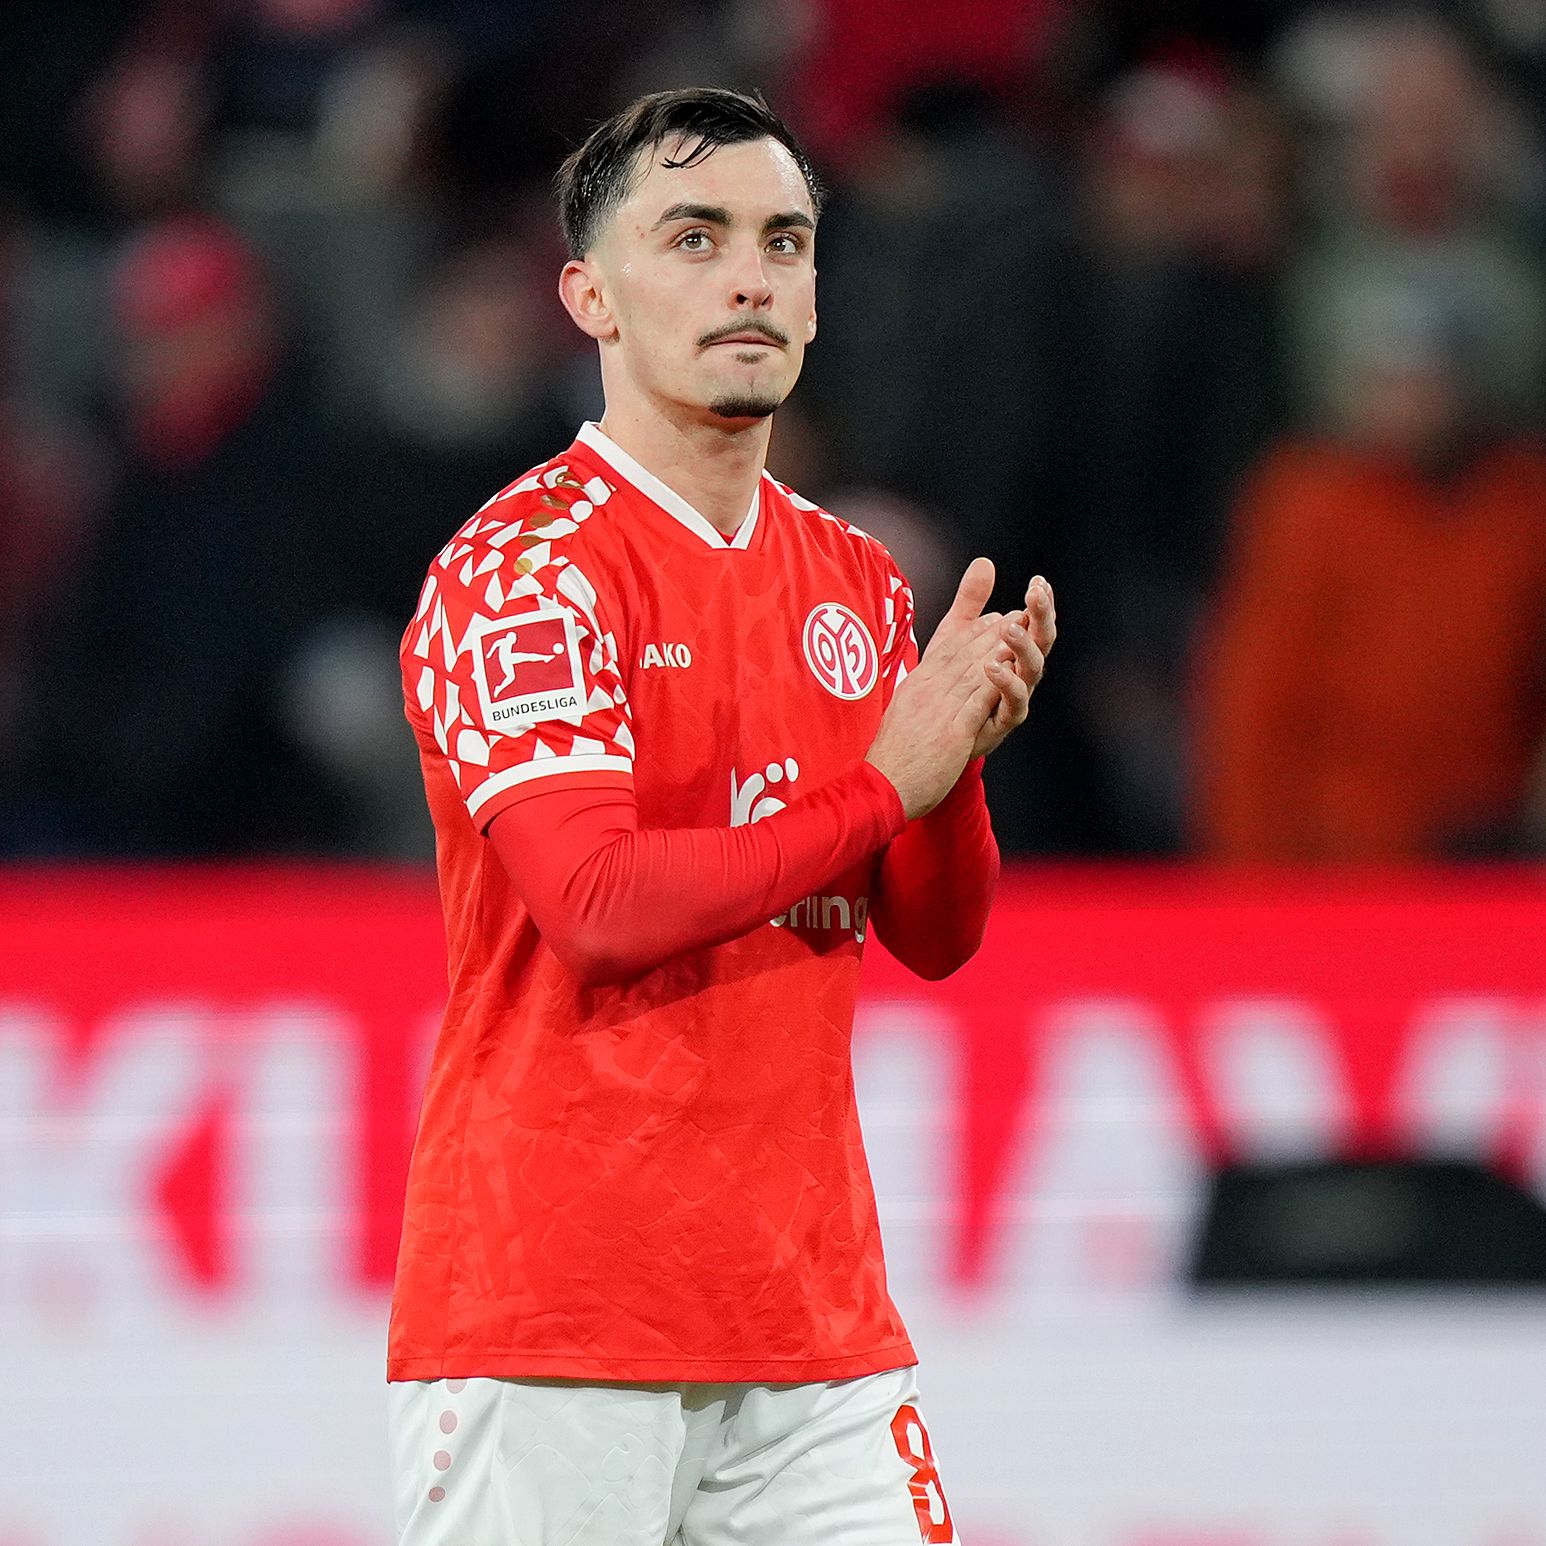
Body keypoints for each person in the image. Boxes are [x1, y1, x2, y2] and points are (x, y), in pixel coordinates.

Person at [387, 87, 1055, 1546]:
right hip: (557, 1321)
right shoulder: (523, 572)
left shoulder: (856, 579)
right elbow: (596, 906)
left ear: (814, 297)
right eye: (694, 238)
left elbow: (936, 935)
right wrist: (884, 782)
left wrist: (953, 761)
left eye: (782, 242)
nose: (748, 276)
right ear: (591, 296)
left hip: (813, 1318)